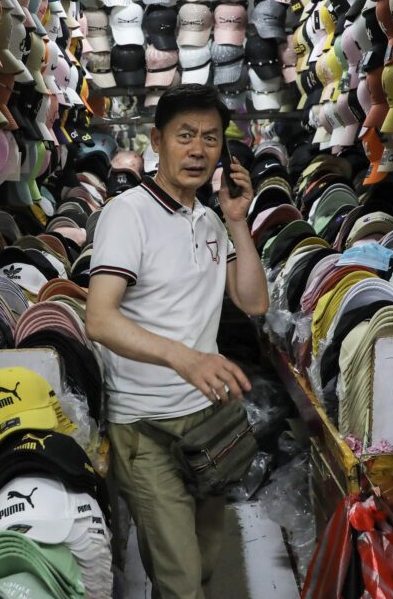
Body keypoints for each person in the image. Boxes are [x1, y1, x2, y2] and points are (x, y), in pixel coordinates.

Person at [85, 84, 269, 599]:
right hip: (146, 428)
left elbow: (254, 301)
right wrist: (184, 358)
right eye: (184, 135)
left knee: (207, 559)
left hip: (209, 421)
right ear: (156, 141)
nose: (197, 149)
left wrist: (237, 222)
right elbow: (99, 319)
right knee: (181, 581)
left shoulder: (209, 219)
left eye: (210, 138)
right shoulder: (128, 215)